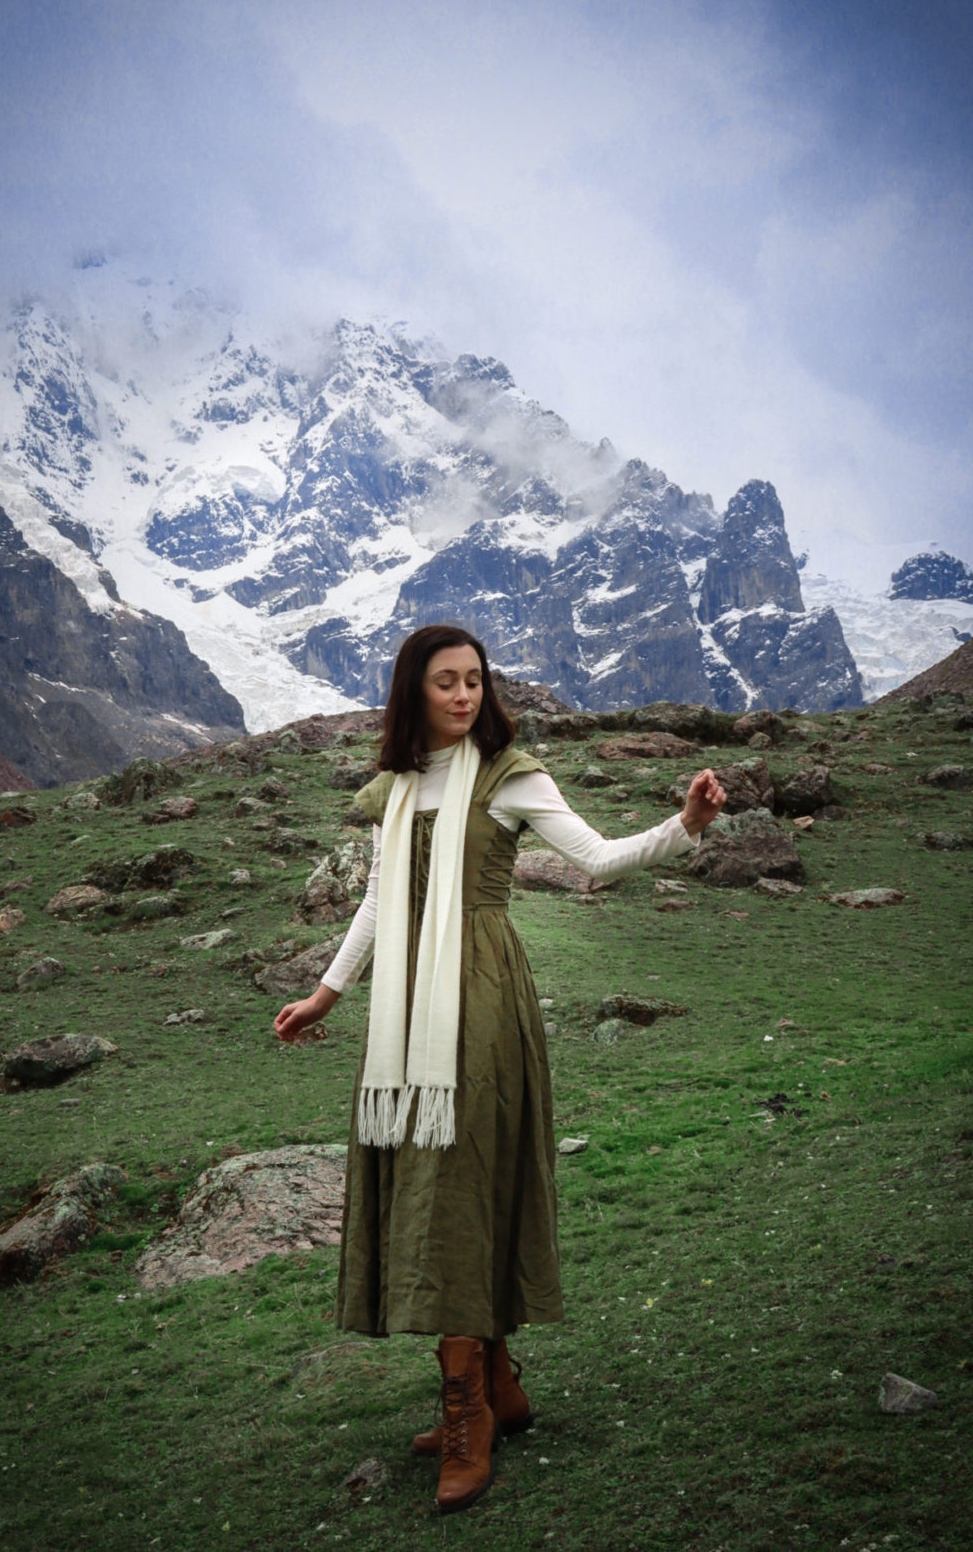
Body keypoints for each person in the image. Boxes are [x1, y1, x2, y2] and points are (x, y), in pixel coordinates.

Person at [275, 624, 726, 1514]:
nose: (464, 695)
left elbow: (595, 858)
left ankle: (468, 1409)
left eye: (475, 680)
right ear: (415, 692)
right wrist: (329, 992)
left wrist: (685, 827)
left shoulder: (512, 776)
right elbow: (377, 899)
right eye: (446, 682)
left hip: (479, 1001)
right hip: (406, 1010)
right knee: (425, 1182)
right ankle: (499, 1381)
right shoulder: (397, 788)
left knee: (459, 1186)